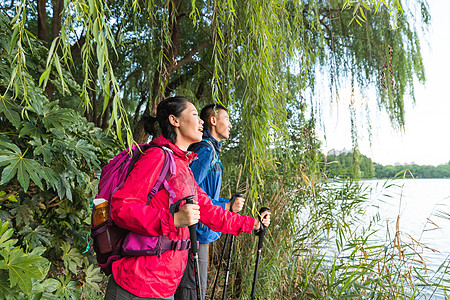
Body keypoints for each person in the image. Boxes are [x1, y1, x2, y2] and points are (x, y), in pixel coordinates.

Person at [104, 96, 271, 300]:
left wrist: (252, 224)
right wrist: (172, 220)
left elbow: (209, 212)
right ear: (175, 120)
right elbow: (121, 209)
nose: (201, 121)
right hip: (137, 283)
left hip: (165, 287)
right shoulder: (157, 157)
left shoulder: (183, 166)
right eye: (194, 114)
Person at [175, 104, 244, 300]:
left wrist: (226, 202)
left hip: (201, 228)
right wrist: (226, 206)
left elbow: (201, 192)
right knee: (194, 289)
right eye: (227, 119)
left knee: (194, 286)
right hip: (197, 230)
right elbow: (188, 193)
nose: (230, 124)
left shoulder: (210, 149)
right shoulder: (205, 150)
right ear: (213, 120)